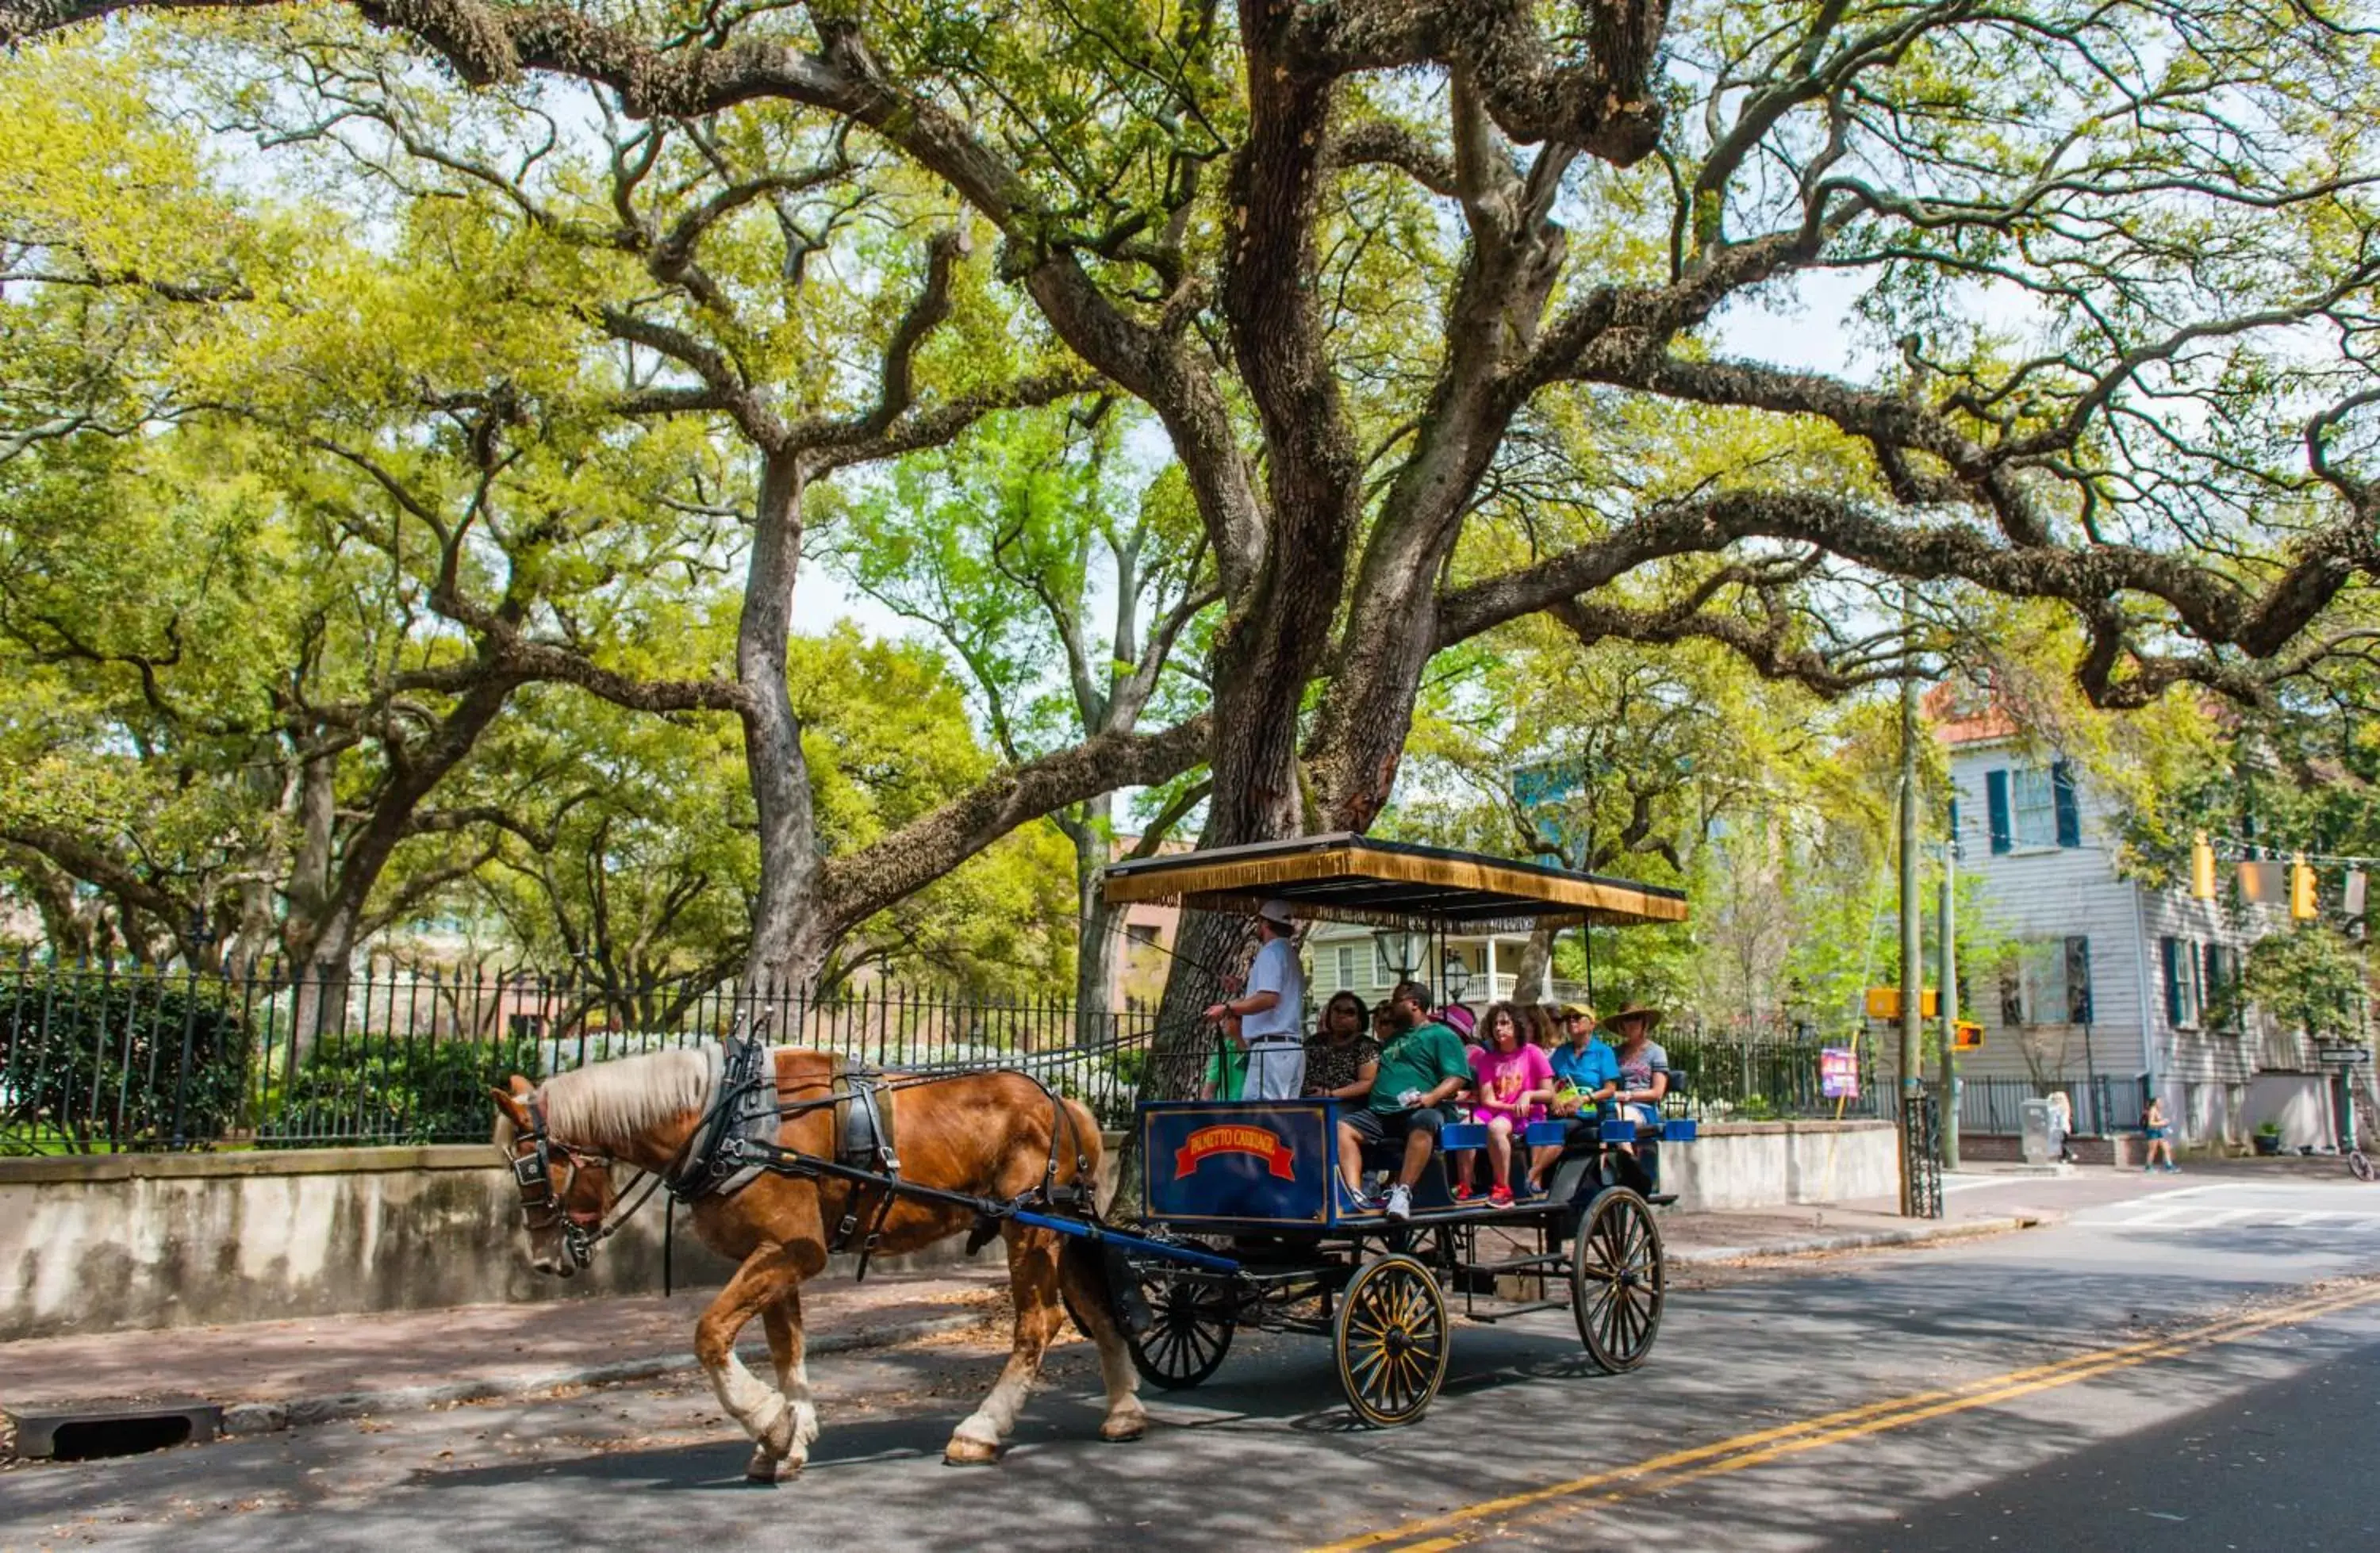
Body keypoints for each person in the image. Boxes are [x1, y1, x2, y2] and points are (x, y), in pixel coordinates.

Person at [1336, 980, 1473, 1221]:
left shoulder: (1441, 1034)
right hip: (1382, 1113)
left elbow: (1458, 1077)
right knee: (1343, 1127)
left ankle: (1403, 1192)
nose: (1390, 1007)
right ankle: (1355, 1194)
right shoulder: (1395, 1038)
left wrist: (1432, 1096)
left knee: (1425, 1120)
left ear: (1414, 1004)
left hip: (1418, 1110)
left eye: (1395, 1001)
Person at [1203, 898, 1307, 1100]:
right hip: (1290, 1049)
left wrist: (1226, 1008)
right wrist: (1243, 987)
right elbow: (1278, 996)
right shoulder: (1290, 954)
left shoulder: (1271, 952)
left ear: (1266, 923)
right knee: (1284, 1116)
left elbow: (1269, 999)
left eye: (1258, 922)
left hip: (1271, 1049)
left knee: (1259, 1116)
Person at [1454, 1003, 1557, 1206]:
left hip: (1526, 1114)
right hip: (1499, 1110)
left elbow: (1549, 1094)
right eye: (1495, 1024)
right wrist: (1510, 1107)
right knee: (1465, 1126)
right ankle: (1465, 1186)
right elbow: (1488, 1099)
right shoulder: (1486, 1060)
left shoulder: (1533, 1053)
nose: (1498, 1028)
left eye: (1504, 1023)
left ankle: (1503, 1188)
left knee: (1497, 1127)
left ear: (1516, 1026)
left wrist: (1527, 1095)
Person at [1530, 1003, 1619, 1192]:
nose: (1572, 1022)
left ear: (1592, 1024)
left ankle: (1532, 1176)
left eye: (1577, 1017)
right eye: (1568, 1019)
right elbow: (1550, 1081)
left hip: (1592, 1112)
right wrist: (1554, 1101)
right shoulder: (1561, 1052)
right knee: (1536, 1126)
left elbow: (1610, 1089)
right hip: (1563, 1109)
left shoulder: (1604, 1052)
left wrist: (1583, 1099)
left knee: (1558, 1129)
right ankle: (1537, 1180)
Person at [1304, 991, 1380, 1105]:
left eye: (1349, 1012)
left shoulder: (1366, 1045)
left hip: (1346, 1106)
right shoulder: (1314, 1041)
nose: (1341, 1015)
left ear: (1360, 1020)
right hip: (1307, 1103)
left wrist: (1330, 1094)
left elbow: (1367, 1083)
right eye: (1337, 1010)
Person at [2141, 1095, 2178, 1173]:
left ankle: (2169, 1166)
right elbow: (2151, 1123)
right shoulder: (2153, 1110)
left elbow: (2158, 1121)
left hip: (2158, 1131)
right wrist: (2162, 1123)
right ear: (2155, 1103)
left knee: (2166, 1148)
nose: (2161, 1103)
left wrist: (2164, 1122)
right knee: (2153, 1150)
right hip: (2152, 1132)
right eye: (2159, 1101)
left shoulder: (2158, 1111)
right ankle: (2148, 1167)